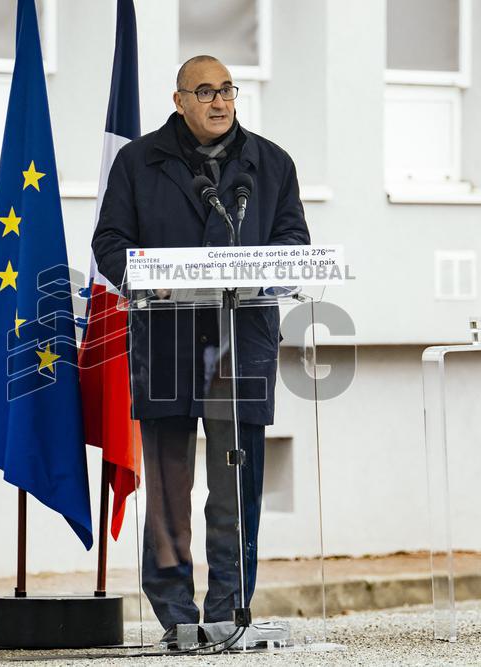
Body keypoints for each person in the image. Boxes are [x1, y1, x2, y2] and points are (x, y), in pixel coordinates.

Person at [91, 55, 310, 640]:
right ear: (180, 100)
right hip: (166, 338)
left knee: (235, 484)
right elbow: (110, 241)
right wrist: (149, 278)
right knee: (169, 487)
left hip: (242, 338)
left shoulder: (270, 163)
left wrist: (262, 268)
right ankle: (176, 617)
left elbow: (293, 238)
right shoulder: (139, 161)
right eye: (206, 91)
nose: (220, 102)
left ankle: (228, 613)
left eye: (227, 90)